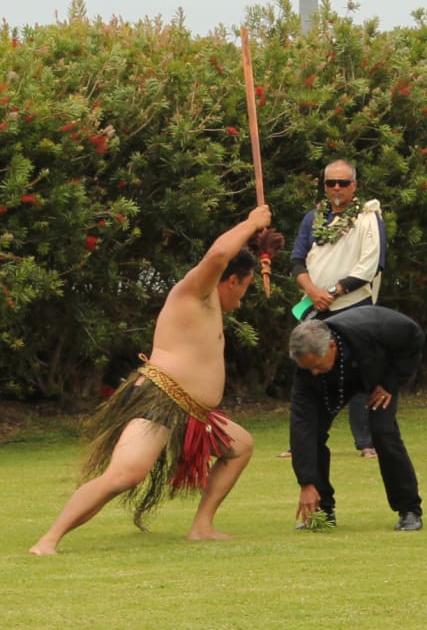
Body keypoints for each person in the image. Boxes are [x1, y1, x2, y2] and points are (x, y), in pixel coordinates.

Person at [30, 206, 274, 555]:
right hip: (161, 400)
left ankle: (202, 527)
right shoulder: (193, 291)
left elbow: (231, 255)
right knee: (124, 476)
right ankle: (48, 540)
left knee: (240, 446)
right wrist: (251, 222)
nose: (243, 297)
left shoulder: (214, 304)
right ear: (231, 280)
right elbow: (220, 254)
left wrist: (259, 244)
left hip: (194, 413)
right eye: (244, 287)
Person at [288, 310, 424, 531]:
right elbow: (301, 426)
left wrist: (391, 383)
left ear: (331, 346)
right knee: (313, 434)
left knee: (383, 431)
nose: (312, 372)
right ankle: (323, 511)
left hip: (378, 376)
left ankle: (409, 509)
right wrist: (306, 482)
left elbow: (414, 337)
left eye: (317, 365)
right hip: (333, 382)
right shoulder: (307, 371)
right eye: (307, 368)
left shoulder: (380, 326)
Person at [289, 159, 385, 459]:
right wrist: (314, 292)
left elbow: (370, 265)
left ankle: (366, 442)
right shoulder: (313, 218)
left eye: (343, 183)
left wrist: (332, 292)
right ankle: (306, 440)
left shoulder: (368, 219)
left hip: (354, 305)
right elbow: (296, 261)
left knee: (357, 372)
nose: (337, 189)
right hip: (316, 306)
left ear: (354, 185)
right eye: (331, 183)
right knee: (310, 373)